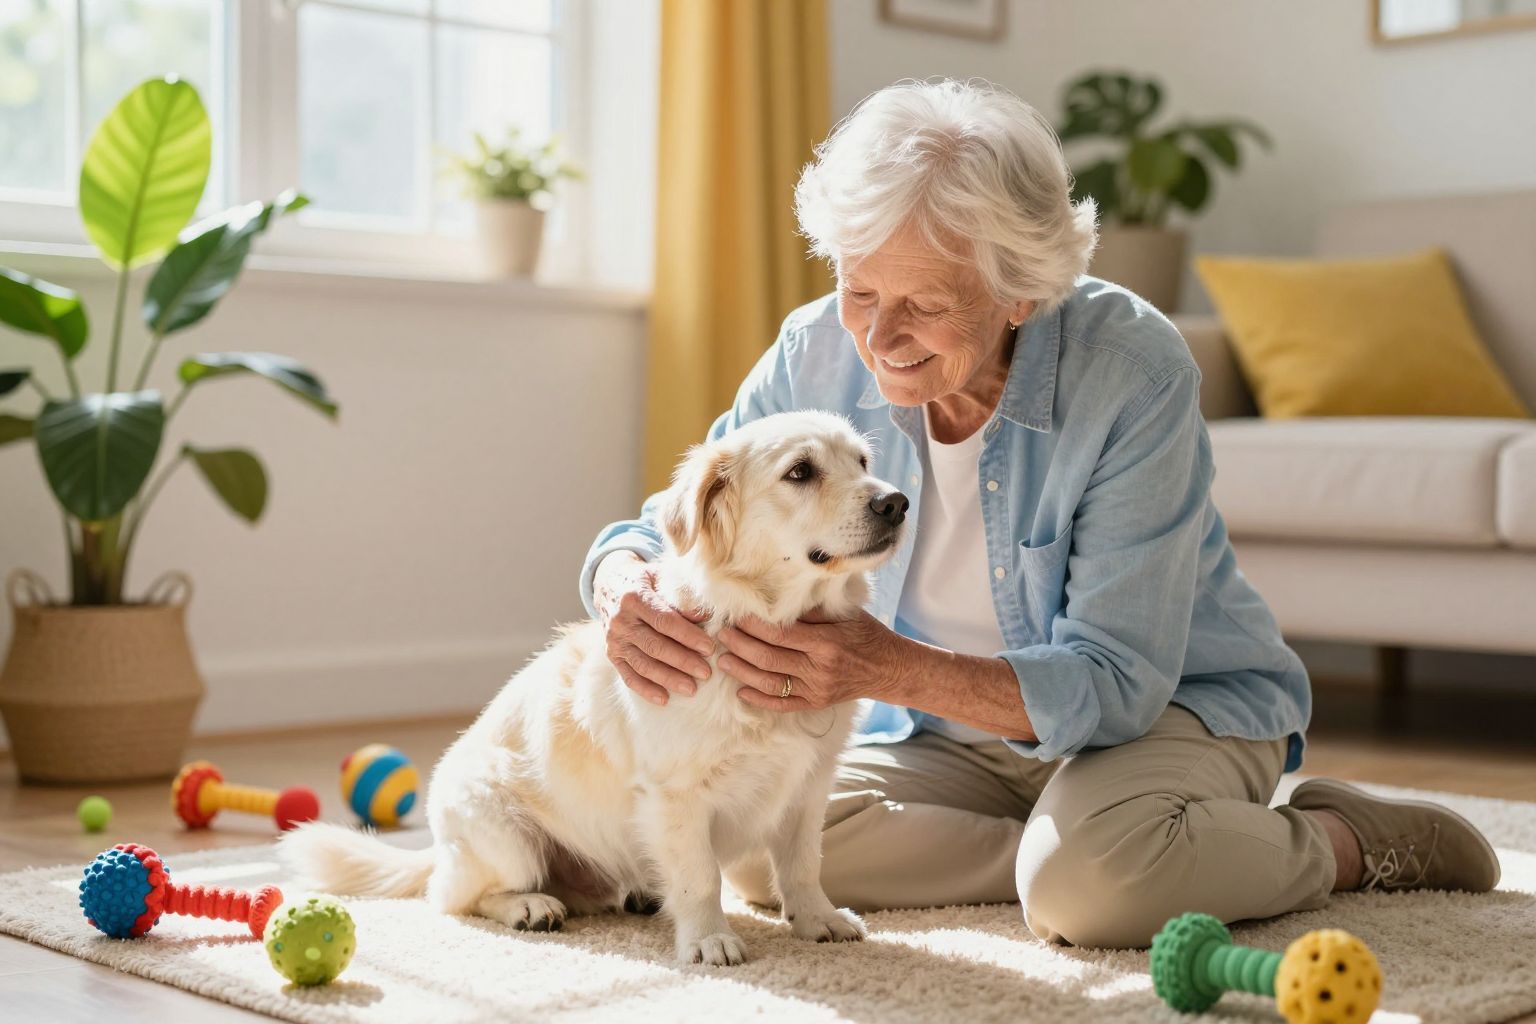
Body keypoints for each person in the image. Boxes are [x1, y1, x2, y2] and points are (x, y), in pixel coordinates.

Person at [579, 79, 1499, 949]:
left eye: (924, 304)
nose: (877, 336)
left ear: (1019, 288)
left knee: (1088, 890)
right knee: (758, 851)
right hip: (944, 737)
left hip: (1170, 710)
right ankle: (1108, 841)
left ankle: (1339, 841)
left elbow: (1120, 682)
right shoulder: (814, 349)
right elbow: (679, 518)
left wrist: (887, 666)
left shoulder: (1134, 370)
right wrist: (620, 580)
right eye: (860, 290)